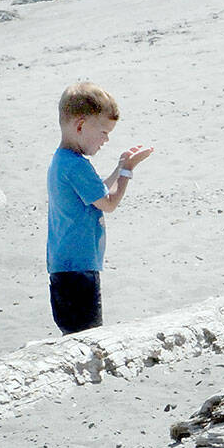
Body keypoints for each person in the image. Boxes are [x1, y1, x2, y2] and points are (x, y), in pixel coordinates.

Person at [47, 82, 153, 335]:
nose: (106, 140)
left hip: (65, 267)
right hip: (78, 270)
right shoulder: (76, 166)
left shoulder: (63, 161)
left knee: (74, 335)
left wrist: (120, 166)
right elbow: (109, 202)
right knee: (87, 337)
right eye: (104, 132)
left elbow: (97, 193)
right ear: (81, 126)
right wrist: (127, 172)